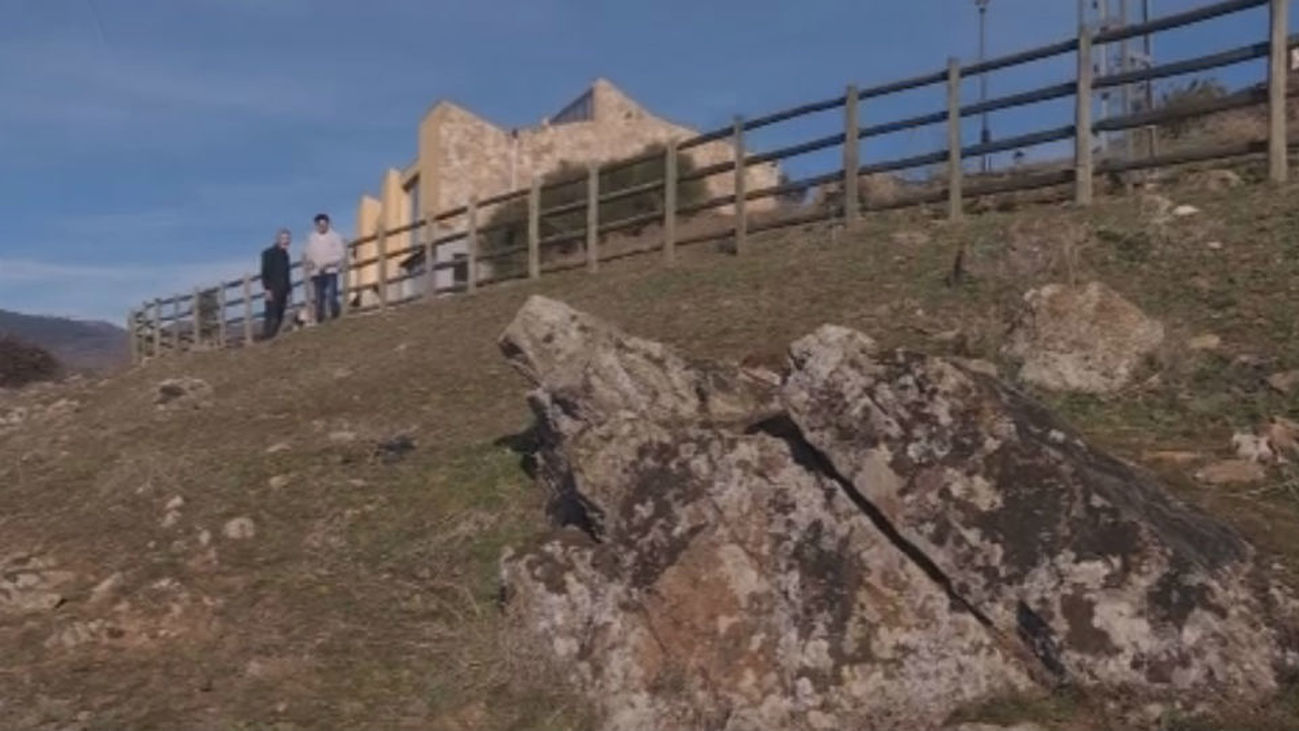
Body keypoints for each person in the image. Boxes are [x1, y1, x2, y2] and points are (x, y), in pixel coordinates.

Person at [304, 213, 345, 323]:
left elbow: (340, 254)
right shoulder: (311, 238)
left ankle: (335, 315)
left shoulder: (335, 236)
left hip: (330, 270)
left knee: (332, 295)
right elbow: (308, 254)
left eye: (324, 224)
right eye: (319, 225)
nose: (322, 227)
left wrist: (328, 263)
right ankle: (320, 319)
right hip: (317, 272)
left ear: (328, 224)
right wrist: (311, 264)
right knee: (319, 297)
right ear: (316, 225)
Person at [260, 228, 293, 339]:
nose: (286, 241)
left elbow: (287, 274)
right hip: (273, 289)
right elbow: (265, 273)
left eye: (288, 239)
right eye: (283, 238)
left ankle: (274, 338)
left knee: (280, 315)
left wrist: (289, 291)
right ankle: (267, 337)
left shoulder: (286, 256)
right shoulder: (268, 253)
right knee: (271, 316)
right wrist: (267, 289)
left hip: (283, 290)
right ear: (278, 239)